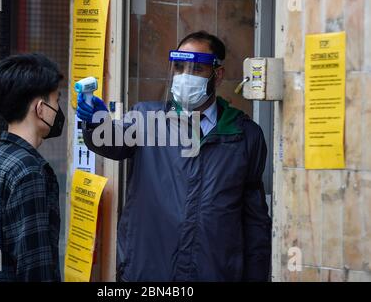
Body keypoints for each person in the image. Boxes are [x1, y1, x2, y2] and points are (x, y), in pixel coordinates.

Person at [77, 31, 272, 282]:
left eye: (197, 69)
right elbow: (111, 142)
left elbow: (254, 221)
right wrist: (96, 123)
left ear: (218, 74)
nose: (185, 77)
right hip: (148, 274)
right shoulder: (146, 119)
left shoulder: (245, 135)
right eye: (179, 68)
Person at [0, 53, 65, 282]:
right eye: (57, 100)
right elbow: (35, 266)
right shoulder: (30, 171)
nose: (59, 110)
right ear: (40, 109)